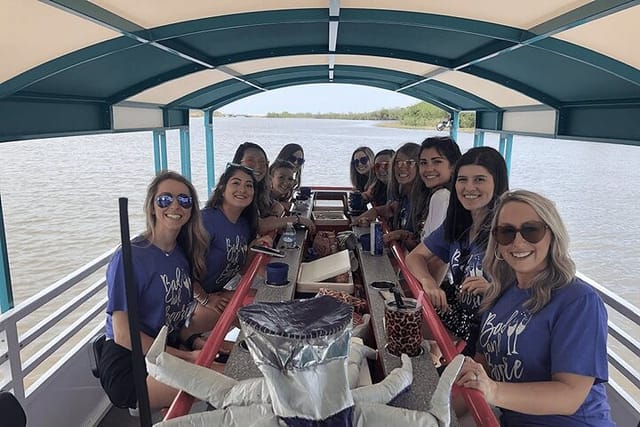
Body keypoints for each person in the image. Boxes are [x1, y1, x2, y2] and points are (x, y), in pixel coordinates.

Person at [457, 190, 614, 426]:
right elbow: (483, 370)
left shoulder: (578, 301)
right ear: (497, 243)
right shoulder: (500, 295)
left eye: (531, 230)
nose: (518, 242)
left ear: (552, 235)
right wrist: (432, 411)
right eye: (507, 232)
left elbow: (569, 395)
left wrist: (494, 391)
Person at [100, 171, 208, 409]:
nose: (175, 205)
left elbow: (172, 318)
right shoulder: (130, 257)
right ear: (152, 207)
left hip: (167, 350)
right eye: (165, 199)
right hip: (131, 365)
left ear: (191, 210)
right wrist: (185, 357)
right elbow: (123, 335)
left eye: (184, 200)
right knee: (228, 382)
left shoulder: (181, 255)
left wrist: (193, 341)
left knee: (235, 365)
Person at [405, 146, 509, 356]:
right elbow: (414, 257)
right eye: (462, 180)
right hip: (463, 322)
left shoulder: (508, 230)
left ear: (496, 182)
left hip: (494, 334)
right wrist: (428, 282)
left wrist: (493, 290)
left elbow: (533, 291)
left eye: (479, 179)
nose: (469, 187)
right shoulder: (458, 224)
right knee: (400, 327)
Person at [185, 163, 272, 340]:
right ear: (222, 188)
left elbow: (241, 269)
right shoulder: (206, 220)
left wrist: (254, 246)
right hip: (189, 302)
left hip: (215, 293)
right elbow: (180, 268)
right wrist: (205, 299)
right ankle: (189, 340)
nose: (243, 189)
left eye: (249, 185)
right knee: (252, 316)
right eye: (236, 183)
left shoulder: (243, 225)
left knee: (269, 300)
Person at [411, 136, 462, 240]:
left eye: (437, 162)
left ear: (453, 166)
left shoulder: (442, 196)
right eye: (424, 163)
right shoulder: (444, 195)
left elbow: (433, 252)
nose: (429, 169)